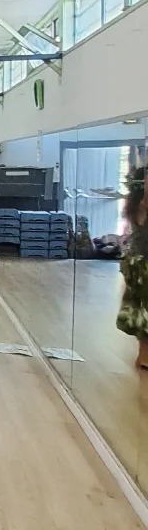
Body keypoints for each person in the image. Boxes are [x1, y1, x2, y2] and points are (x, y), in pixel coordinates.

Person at [117, 151, 147, 369]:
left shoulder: (137, 205)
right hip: (141, 263)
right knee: (142, 310)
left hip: (138, 261)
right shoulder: (140, 206)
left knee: (142, 310)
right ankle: (144, 356)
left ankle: (143, 356)